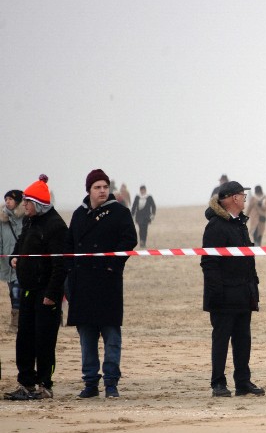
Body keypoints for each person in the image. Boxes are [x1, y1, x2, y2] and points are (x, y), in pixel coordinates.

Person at [66, 169, 138, 399]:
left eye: (105, 186)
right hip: (82, 286)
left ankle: (111, 382)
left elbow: (129, 240)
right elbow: (69, 247)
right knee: (87, 338)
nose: (102, 191)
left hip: (108, 283)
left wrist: (111, 265)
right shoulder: (78, 215)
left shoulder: (119, 212)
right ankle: (90, 382)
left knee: (111, 337)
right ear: (89, 190)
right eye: (97, 187)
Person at [4, 175, 67, 401]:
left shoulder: (56, 226)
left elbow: (61, 265)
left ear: (38, 204)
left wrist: (52, 294)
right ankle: (26, 383)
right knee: (25, 338)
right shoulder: (30, 221)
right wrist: (14, 258)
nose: (25, 206)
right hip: (28, 290)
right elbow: (21, 244)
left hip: (46, 294)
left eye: (28, 203)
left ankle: (44, 385)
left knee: (44, 341)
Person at [201, 180, 264, 397]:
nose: (244, 199)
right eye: (241, 195)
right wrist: (217, 293)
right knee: (221, 340)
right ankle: (218, 382)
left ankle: (243, 382)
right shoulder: (215, 226)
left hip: (243, 293)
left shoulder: (239, 223)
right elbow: (209, 263)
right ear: (232, 198)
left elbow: (247, 258)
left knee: (242, 340)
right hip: (223, 295)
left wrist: (252, 286)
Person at [2, 190, 25, 329]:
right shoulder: (3, 220)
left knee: (19, 290)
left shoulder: (26, 217)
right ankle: (17, 317)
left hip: (24, 260)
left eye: (10, 199)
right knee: (12, 291)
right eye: (6, 199)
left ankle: (16, 322)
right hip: (7, 260)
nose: (8, 202)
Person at [131, 185, 157, 249]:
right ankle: (141, 241)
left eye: (143, 190)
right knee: (140, 229)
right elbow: (134, 206)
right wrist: (132, 214)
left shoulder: (149, 197)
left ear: (145, 190)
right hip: (139, 216)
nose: (142, 191)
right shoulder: (137, 197)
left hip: (146, 216)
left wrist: (153, 214)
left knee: (145, 229)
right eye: (141, 190)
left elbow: (153, 206)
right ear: (140, 190)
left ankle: (144, 241)